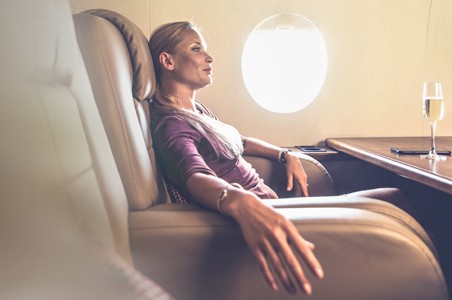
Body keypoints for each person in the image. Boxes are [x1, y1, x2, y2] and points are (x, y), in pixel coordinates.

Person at [147, 21, 412, 295]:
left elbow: (241, 141)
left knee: (394, 200)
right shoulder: (171, 124)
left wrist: (285, 155)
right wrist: (237, 201)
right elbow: (195, 175)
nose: (209, 57)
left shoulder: (197, 111)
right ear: (167, 60)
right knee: (395, 199)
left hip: (277, 204)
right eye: (196, 48)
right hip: (267, 214)